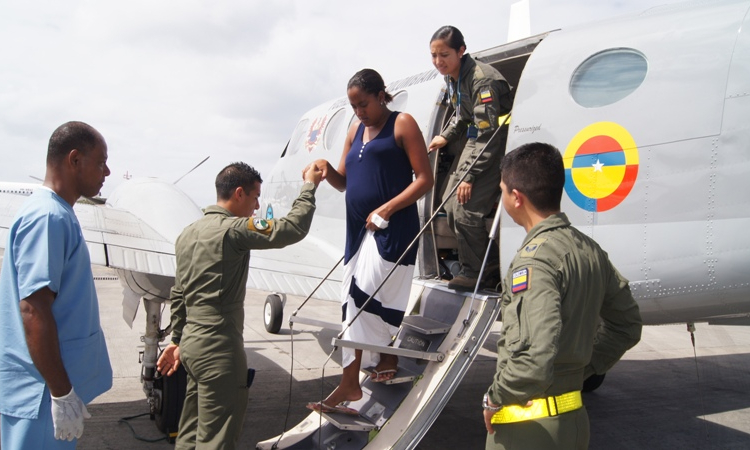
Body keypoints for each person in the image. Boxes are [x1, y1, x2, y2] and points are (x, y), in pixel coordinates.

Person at [482, 142, 643, 449]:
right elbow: (627, 325)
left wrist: (494, 398)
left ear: (517, 198)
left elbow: (534, 357)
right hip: (573, 423)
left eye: (502, 190)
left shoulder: (534, 261)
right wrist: (580, 369)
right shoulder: (590, 251)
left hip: (526, 428)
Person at [155, 161, 322, 450]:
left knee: (190, 434)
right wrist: (309, 186)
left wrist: (178, 340)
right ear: (240, 193)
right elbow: (291, 228)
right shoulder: (232, 230)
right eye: (256, 197)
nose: (257, 207)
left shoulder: (188, 234)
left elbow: (179, 293)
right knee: (216, 439)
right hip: (218, 349)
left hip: (191, 347)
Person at [306, 68, 433, 414]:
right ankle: (380, 360)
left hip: (392, 227)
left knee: (365, 297)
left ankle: (351, 382)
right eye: (353, 106)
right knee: (351, 300)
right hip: (358, 230)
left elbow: (425, 179)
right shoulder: (354, 130)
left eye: (363, 104)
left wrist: (388, 209)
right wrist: (324, 170)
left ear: (381, 95)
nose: (359, 111)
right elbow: (345, 182)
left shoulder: (402, 124)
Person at [0, 121, 113, 449]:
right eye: (101, 161)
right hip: (41, 395)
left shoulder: (55, 212)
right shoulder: (49, 217)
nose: (107, 171)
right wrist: (62, 393)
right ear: (74, 160)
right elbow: (33, 311)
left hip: (44, 389)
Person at [428, 25, 513, 290]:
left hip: (494, 148)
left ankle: (477, 271)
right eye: (434, 55)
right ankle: (484, 265)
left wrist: (469, 175)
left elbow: (488, 134)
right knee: (449, 205)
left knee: (465, 211)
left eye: (444, 55)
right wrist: (447, 135)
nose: (438, 62)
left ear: (461, 51)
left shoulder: (481, 80)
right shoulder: (453, 77)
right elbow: (464, 117)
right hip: (475, 143)